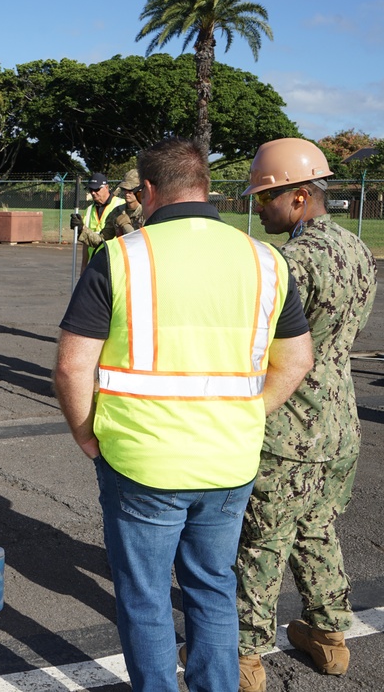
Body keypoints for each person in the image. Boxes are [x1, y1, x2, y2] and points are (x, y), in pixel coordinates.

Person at [54, 137, 313, 692]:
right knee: (213, 586)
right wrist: (247, 412)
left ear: (148, 191)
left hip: (142, 463)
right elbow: (297, 360)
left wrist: (86, 434)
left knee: (145, 594)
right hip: (230, 461)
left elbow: (73, 368)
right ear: (205, 187)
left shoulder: (121, 256)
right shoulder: (266, 260)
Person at [235, 138, 377, 690]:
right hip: (339, 417)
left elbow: (260, 341)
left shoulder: (288, 262)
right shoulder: (356, 248)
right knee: (317, 529)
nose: (258, 207)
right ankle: (329, 637)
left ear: (298, 197)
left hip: (289, 421)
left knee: (263, 538)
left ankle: (246, 655)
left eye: (265, 198)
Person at [70, 172, 126, 269]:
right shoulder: (88, 211)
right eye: (91, 189)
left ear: (106, 187)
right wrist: (84, 266)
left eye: (96, 189)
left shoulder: (120, 205)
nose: (93, 192)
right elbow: (86, 243)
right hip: (94, 263)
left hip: (115, 263)